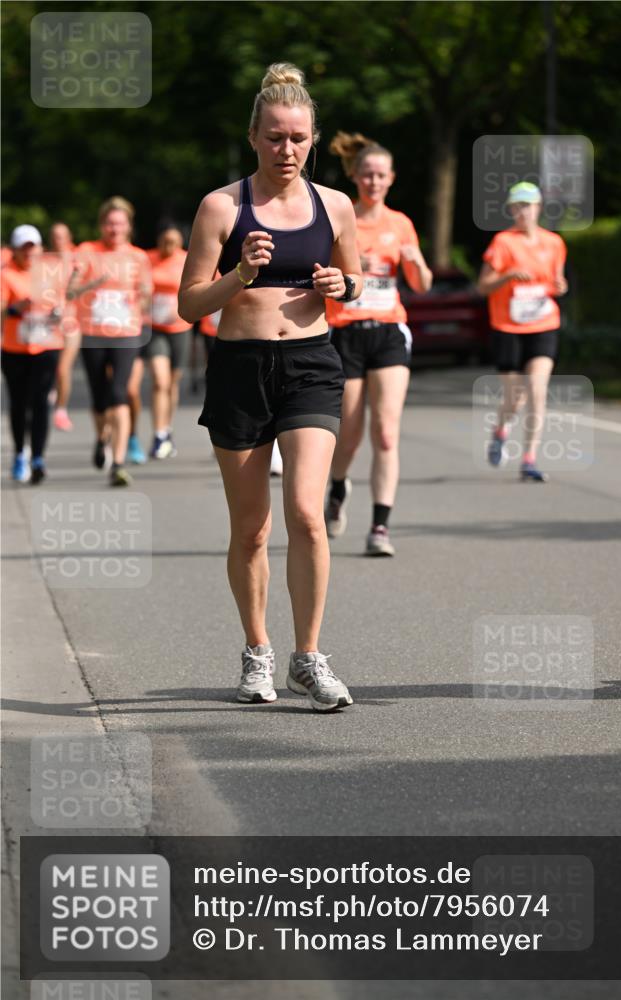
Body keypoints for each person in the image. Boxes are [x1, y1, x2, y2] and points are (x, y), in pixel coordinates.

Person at [178, 62, 362, 711]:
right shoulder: (222, 207)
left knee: (307, 516)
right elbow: (189, 305)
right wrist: (240, 274)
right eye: (276, 137)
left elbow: (354, 279)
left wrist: (345, 288)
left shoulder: (335, 205)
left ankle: (308, 658)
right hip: (240, 369)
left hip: (311, 366)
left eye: (299, 138)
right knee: (251, 529)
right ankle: (256, 653)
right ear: (254, 135)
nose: (287, 149)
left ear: (313, 140)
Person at [324, 132, 433, 556]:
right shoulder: (340, 218)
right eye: (367, 174)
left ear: (391, 180)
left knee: (386, 433)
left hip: (388, 331)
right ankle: (337, 486)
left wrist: (415, 261)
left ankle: (380, 527)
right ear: (356, 176)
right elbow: (322, 281)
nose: (373, 182)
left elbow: (422, 285)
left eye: (381, 176)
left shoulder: (401, 223)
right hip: (347, 332)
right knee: (348, 435)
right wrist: (354, 270)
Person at [477, 181, 568, 482]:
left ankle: (529, 459)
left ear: (538, 208)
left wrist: (560, 287)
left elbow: (558, 281)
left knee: (537, 391)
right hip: (508, 327)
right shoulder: (503, 242)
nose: (522, 212)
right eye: (517, 207)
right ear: (511, 210)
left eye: (527, 206)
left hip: (543, 324)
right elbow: (482, 286)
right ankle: (501, 430)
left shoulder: (554, 243)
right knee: (515, 397)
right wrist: (507, 276)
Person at [67, 197, 152, 487]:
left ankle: (117, 462)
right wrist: (94, 283)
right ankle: (101, 436)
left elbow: (146, 294)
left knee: (119, 393)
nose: (114, 228)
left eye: (120, 223)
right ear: (102, 225)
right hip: (92, 333)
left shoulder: (138, 257)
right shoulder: (87, 251)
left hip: (126, 334)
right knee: (100, 398)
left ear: (128, 225)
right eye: (109, 223)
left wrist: (139, 297)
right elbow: (70, 291)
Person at [1, 225, 64, 483]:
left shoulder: (51, 272)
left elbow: (62, 304)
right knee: (19, 403)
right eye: (24, 248)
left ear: (40, 248)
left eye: (33, 247)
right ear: (14, 249)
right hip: (15, 348)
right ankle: (20, 453)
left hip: (47, 345)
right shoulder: (6, 275)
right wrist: (17, 307)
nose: (29, 253)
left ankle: (38, 457)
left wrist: (57, 312)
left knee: (40, 402)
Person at [127, 226, 191, 461]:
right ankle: (158, 434)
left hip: (180, 328)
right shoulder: (148, 259)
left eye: (173, 241)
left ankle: (166, 428)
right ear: (159, 239)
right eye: (165, 240)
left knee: (172, 384)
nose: (169, 246)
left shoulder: (186, 260)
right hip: (154, 329)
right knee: (160, 380)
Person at [49, 222, 79, 432]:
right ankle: (51, 392)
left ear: (69, 237)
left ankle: (61, 410)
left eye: (61, 236)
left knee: (63, 368)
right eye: (54, 236)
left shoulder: (78, 260)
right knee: (49, 367)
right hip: (48, 324)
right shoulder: (43, 261)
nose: (57, 240)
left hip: (71, 322)